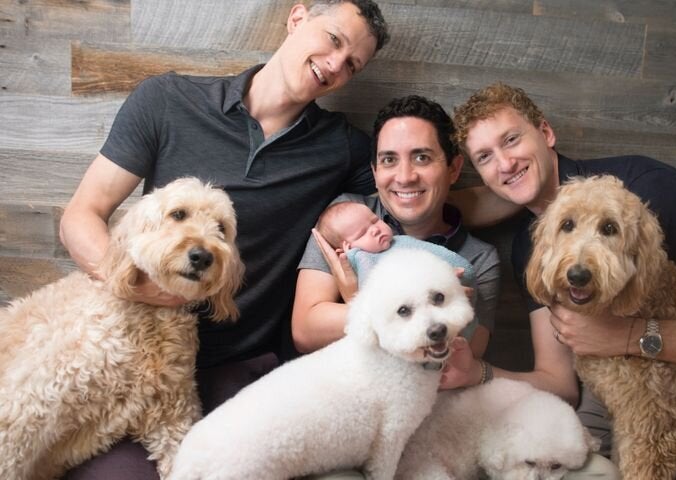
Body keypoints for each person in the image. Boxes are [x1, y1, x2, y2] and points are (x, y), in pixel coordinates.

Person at [58, 2, 389, 479]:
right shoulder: (166, 100)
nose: (336, 65)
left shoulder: (343, 148)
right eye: (334, 40)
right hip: (137, 350)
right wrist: (138, 287)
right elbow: (80, 215)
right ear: (297, 18)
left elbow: (418, 191)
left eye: (352, 64)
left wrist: (525, 185)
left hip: (239, 365)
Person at [451, 82, 676, 478]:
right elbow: (559, 381)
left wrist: (626, 336)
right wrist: (478, 372)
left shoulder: (649, 191)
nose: (505, 164)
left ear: (545, 133)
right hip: (610, 402)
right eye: (486, 157)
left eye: (511, 140)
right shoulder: (532, 248)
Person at [292, 95, 501, 394]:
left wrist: (354, 298)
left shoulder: (478, 257)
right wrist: (433, 307)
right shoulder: (347, 218)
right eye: (389, 160)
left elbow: (464, 356)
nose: (404, 177)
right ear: (376, 172)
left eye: (422, 157)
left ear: (454, 169)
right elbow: (305, 330)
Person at [314, 201, 477, 289]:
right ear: (347, 249)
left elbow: (428, 255)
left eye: (374, 221)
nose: (375, 230)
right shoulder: (364, 264)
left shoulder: (402, 242)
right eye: (362, 233)